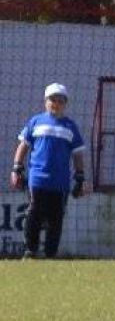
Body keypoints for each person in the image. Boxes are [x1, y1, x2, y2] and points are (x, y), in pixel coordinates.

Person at [10, 83, 86, 259]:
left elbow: (77, 154)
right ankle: (30, 251)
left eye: (60, 100)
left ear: (65, 103)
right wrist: (17, 168)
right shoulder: (35, 122)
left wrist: (80, 178)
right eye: (52, 99)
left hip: (60, 183)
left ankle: (50, 253)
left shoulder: (70, 126)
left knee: (56, 218)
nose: (56, 103)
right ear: (45, 101)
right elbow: (23, 146)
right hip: (37, 179)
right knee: (33, 214)